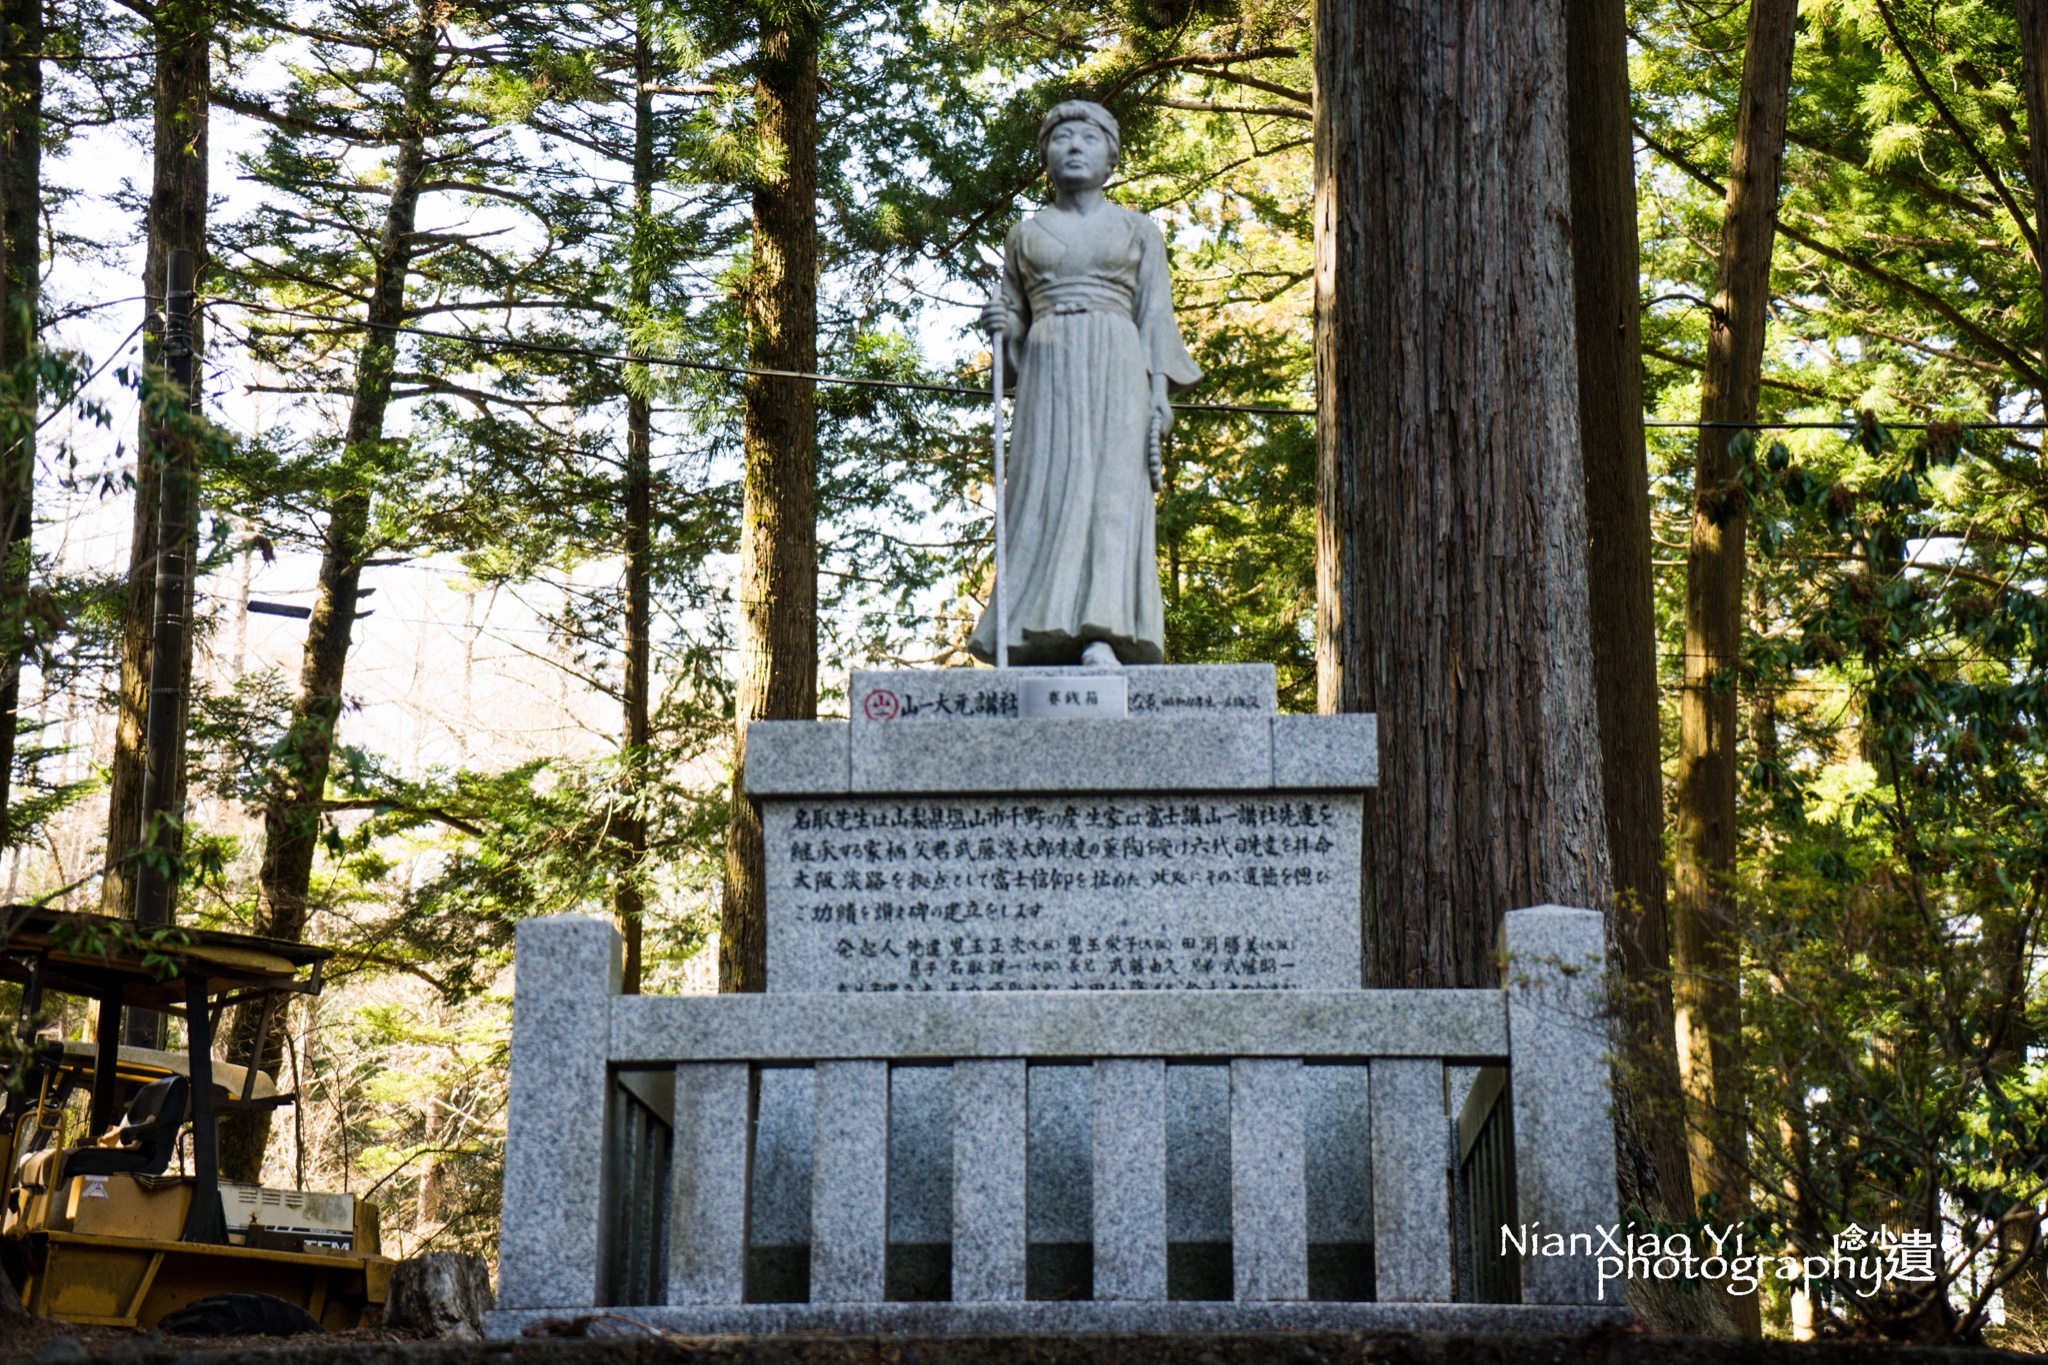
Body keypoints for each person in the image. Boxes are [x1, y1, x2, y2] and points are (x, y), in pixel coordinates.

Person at [968, 100, 1201, 668]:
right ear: (1045, 156)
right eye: (1062, 138)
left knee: (1111, 494)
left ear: (1111, 158)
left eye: (1088, 138)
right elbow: (1014, 318)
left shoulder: (1138, 229)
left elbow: (1156, 316)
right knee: (1042, 491)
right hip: (1049, 367)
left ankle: (1106, 630)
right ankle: (1028, 629)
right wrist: (1004, 329)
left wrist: (1158, 396)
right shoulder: (1023, 235)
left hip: (1117, 362)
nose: (1074, 147)